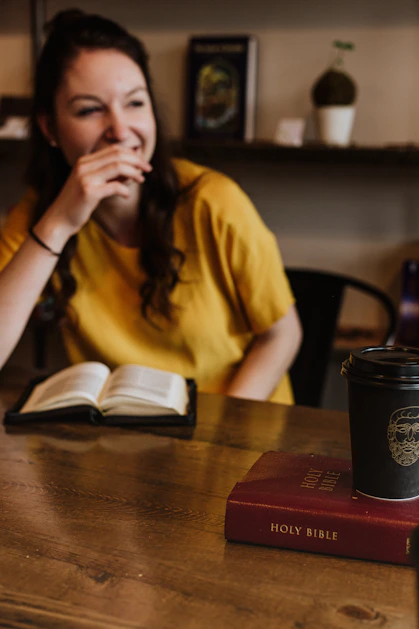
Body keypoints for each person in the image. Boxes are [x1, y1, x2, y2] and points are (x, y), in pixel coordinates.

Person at [0, 9, 302, 404]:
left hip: (239, 428)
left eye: (135, 103)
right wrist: (59, 223)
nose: (121, 130)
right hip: (129, 441)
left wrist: (220, 431)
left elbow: (283, 335)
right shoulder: (41, 216)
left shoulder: (212, 200)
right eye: (90, 110)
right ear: (50, 128)